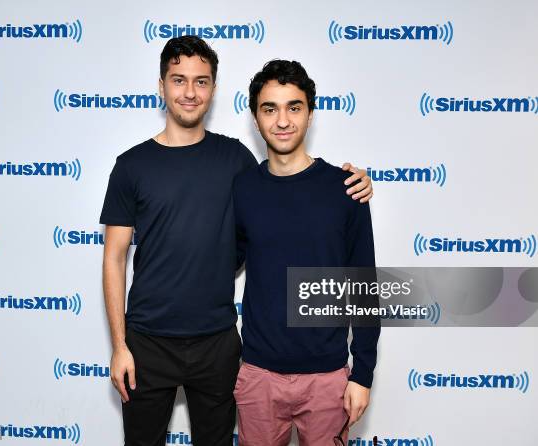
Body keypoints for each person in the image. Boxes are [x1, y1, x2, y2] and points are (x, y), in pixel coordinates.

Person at [99, 36, 374, 446]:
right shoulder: (139, 166)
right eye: (178, 80)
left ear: (213, 88)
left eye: (201, 81)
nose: (189, 92)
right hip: (162, 346)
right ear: (161, 86)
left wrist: (354, 183)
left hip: (228, 347)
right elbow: (117, 259)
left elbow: (359, 283)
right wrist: (119, 346)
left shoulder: (240, 164)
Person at [232, 59, 380, 446]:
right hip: (258, 375)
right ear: (255, 117)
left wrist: (362, 374)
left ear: (310, 114)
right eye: (270, 108)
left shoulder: (345, 189)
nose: (282, 120)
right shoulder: (242, 188)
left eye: (293, 107)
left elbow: (364, 286)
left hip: (328, 379)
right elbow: (221, 262)